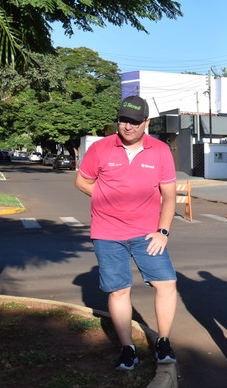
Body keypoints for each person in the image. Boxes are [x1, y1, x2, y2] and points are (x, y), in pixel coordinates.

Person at [75, 95, 178, 370]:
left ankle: (163, 341)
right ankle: (127, 348)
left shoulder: (160, 151)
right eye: (123, 120)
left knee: (166, 284)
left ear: (146, 122)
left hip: (147, 233)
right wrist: (106, 195)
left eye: (134, 121)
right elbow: (82, 180)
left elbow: (169, 196)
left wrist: (163, 231)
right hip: (108, 232)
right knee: (119, 290)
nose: (127, 126)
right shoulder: (101, 148)